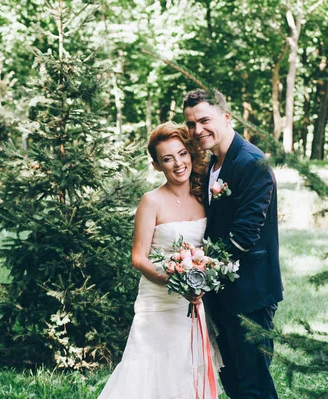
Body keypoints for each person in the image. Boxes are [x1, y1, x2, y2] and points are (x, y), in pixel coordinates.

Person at [98, 122, 222, 399]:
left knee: (187, 370)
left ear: (190, 155)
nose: (178, 164)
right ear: (157, 166)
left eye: (182, 154)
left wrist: (201, 280)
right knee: (149, 369)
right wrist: (175, 280)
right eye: (168, 158)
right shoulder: (151, 201)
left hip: (195, 301)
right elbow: (138, 257)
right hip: (160, 299)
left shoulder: (204, 197)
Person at [183, 88, 283, 399]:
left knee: (255, 385)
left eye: (204, 120)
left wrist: (198, 266)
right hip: (220, 292)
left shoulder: (251, 162)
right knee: (235, 384)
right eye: (190, 124)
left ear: (227, 118)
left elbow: (244, 235)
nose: (197, 130)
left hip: (250, 294)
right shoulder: (212, 164)